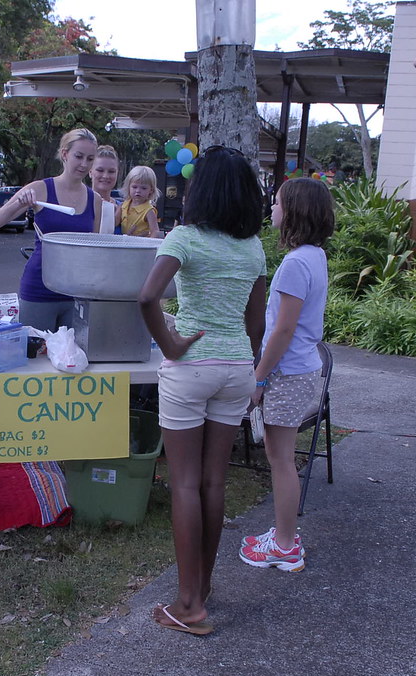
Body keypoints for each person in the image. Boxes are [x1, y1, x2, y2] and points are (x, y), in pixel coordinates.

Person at [138, 145, 267, 635]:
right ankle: (203, 588)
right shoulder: (252, 247)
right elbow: (256, 322)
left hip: (191, 367)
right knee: (215, 483)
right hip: (237, 369)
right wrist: (247, 365)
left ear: (202, 190)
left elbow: (147, 297)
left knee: (185, 484)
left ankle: (188, 605)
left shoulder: (184, 238)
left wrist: (170, 344)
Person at [238, 177, 334, 573]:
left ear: (294, 212)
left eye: (277, 203)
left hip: (288, 372)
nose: (272, 209)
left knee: (280, 459)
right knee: (281, 456)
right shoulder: (314, 255)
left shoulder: (296, 263)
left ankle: (284, 546)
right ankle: (283, 534)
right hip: (299, 369)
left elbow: (283, 329)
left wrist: (259, 378)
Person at [0, 128, 103, 330]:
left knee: (72, 350)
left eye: (90, 159)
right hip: (38, 290)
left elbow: (93, 251)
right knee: (35, 348)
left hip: (75, 294)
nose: (84, 164)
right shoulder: (40, 189)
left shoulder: (95, 200)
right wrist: (19, 203)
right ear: (65, 154)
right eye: (78, 156)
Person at [119, 165, 161, 238]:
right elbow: (114, 222)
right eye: (134, 187)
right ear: (128, 187)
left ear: (151, 190)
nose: (138, 191)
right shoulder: (124, 205)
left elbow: (155, 231)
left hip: (140, 242)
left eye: (143, 188)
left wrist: (148, 242)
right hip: (124, 240)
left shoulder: (148, 210)